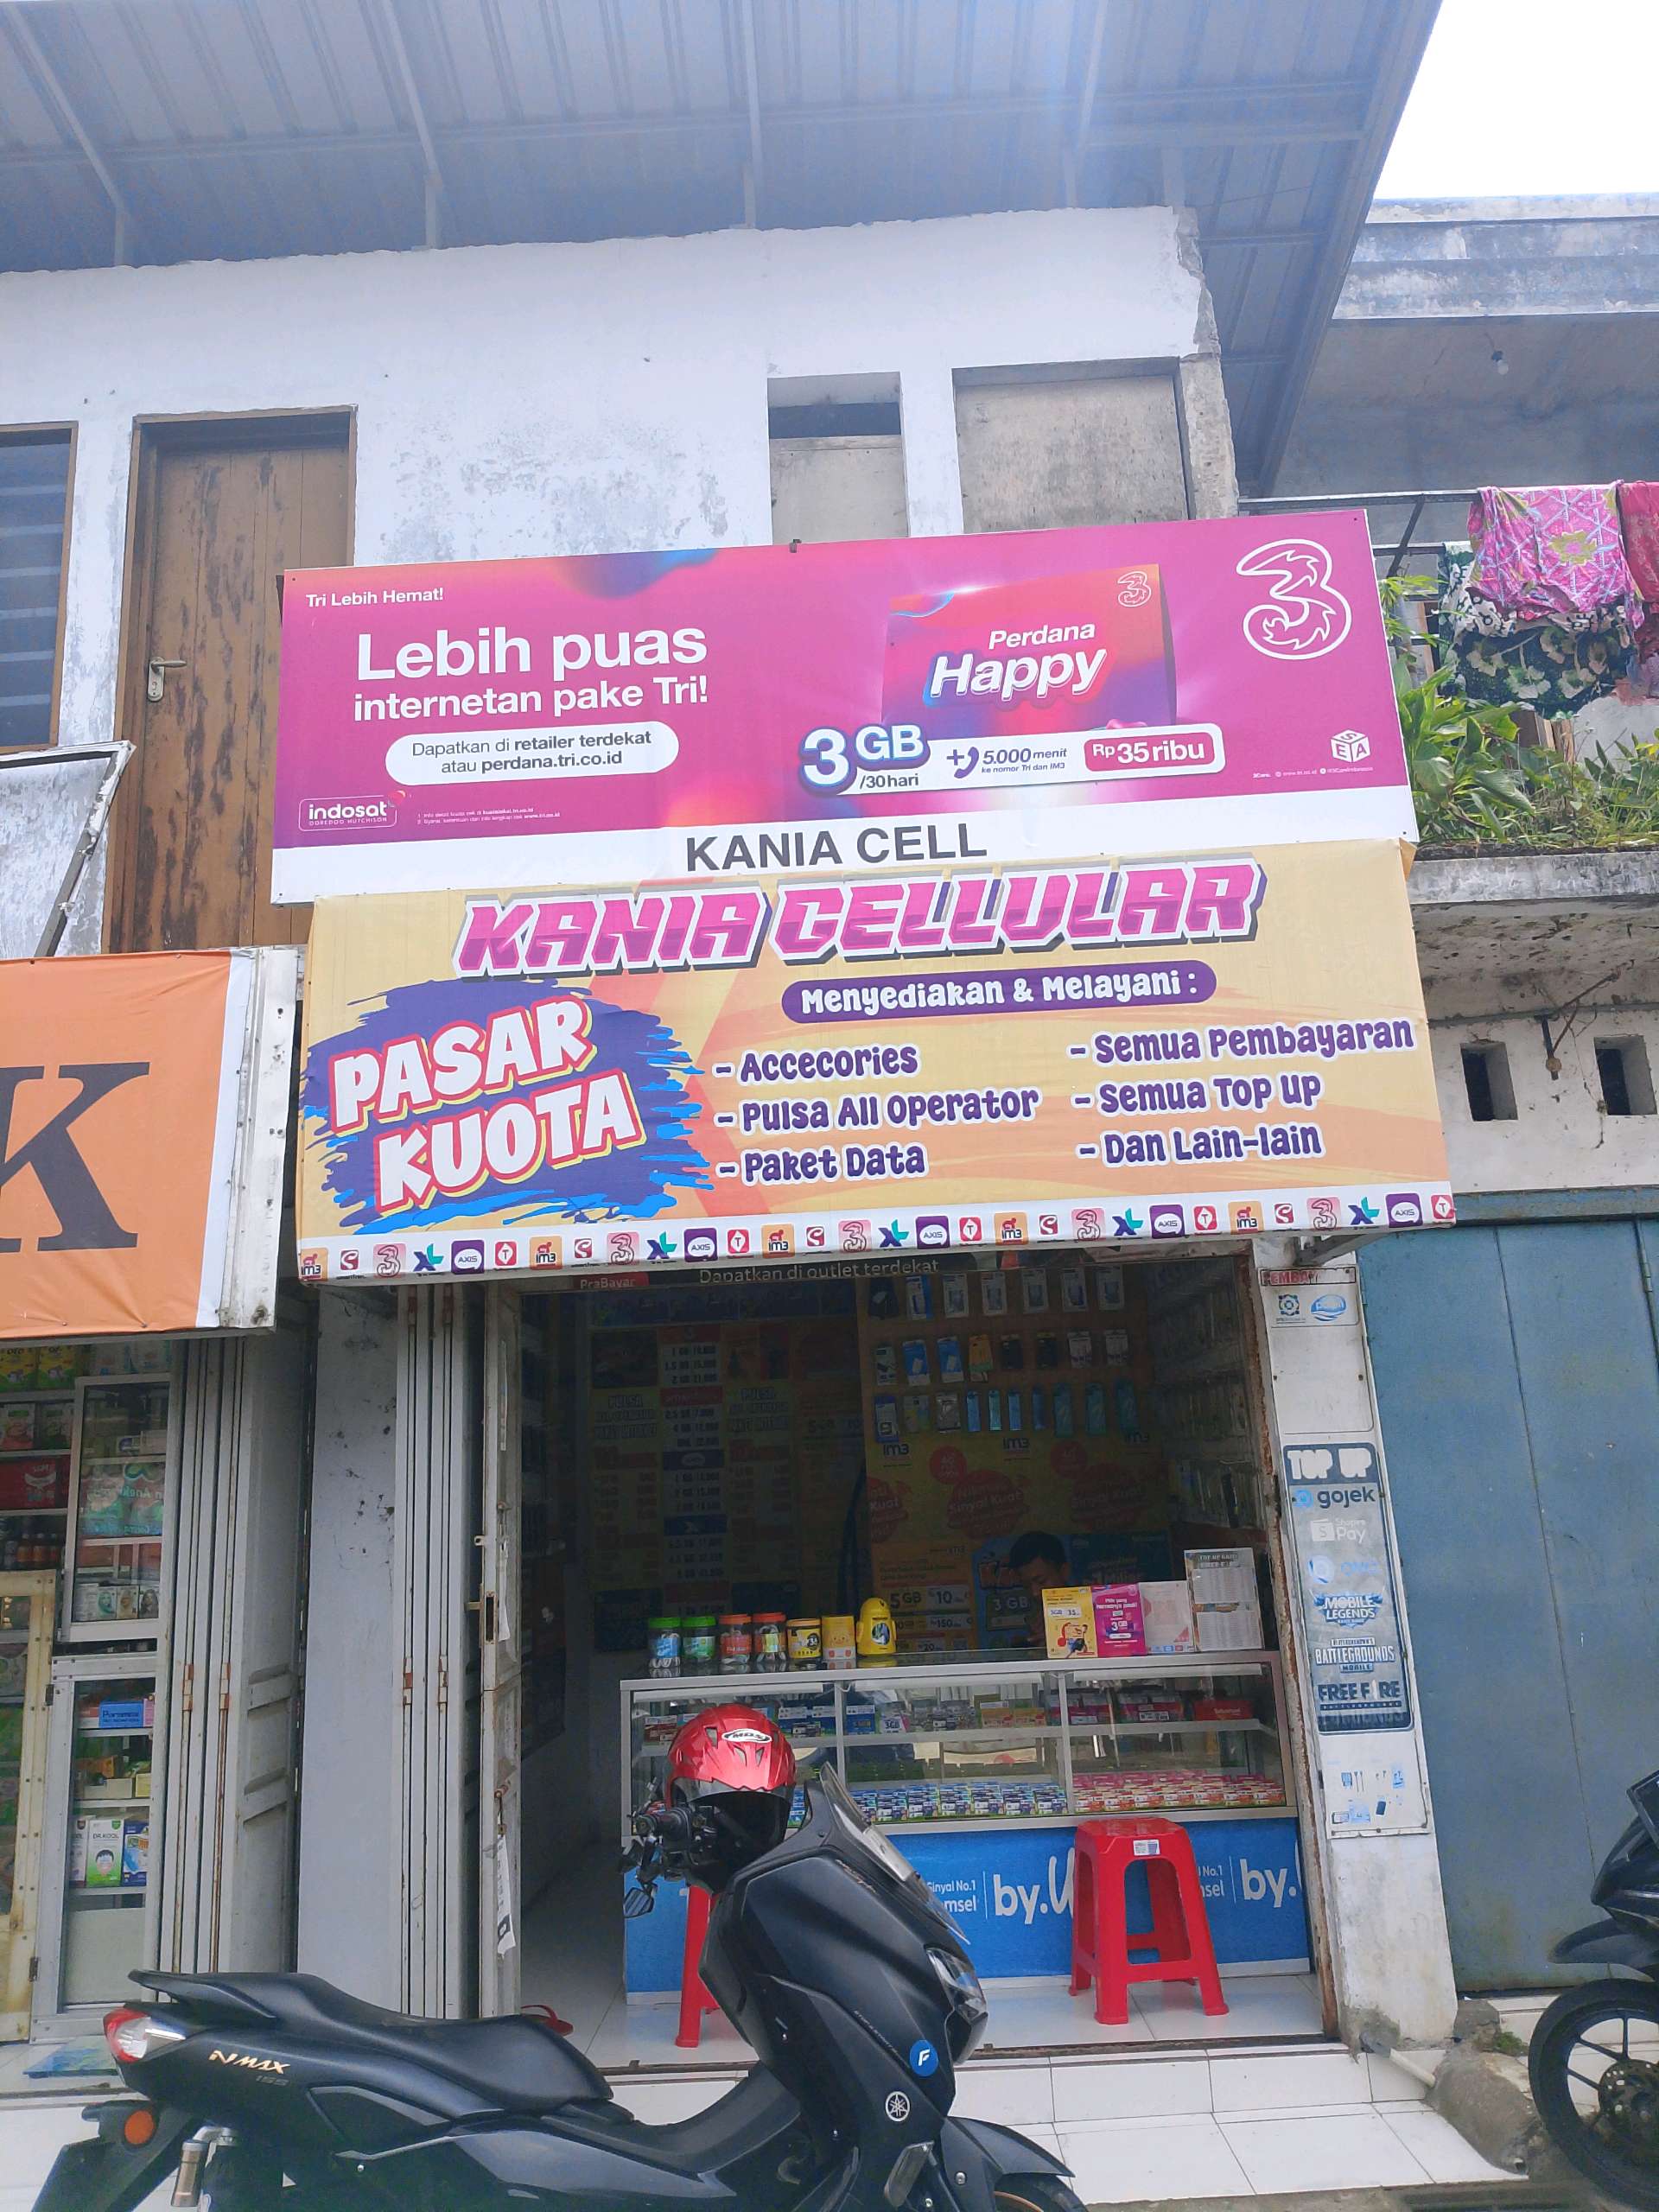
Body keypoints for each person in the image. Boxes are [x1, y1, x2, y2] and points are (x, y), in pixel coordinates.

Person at [1007, 1529, 1070, 1648]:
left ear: (1064, 1571)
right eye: (1026, 1585)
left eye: (1041, 1581)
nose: (1034, 1593)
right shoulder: (1035, 1621)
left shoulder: (1096, 1612)